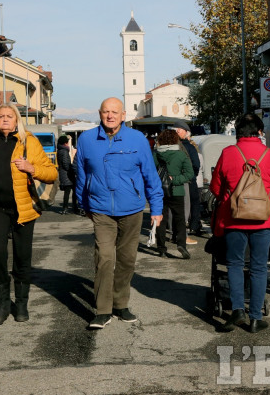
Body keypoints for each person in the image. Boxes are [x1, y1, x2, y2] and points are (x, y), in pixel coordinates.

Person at [76, 97, 163, 330]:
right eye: (106, 112)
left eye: (115, 112)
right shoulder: (86, 139)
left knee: (126, 260)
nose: (110, 116)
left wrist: (156, 208)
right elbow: (82, 175)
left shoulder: (138, 140)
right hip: (101, 209)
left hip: (132, 209)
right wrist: (83, 204)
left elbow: (150, 175)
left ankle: (121, 304)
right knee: (104, 258)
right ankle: (103, 310)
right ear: (100, 113)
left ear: (123, 115)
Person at [0, 103, 57, 325]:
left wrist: (31, 168)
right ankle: (2, 304)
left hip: (23, 209)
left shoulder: (29, 142)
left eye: (10, 116)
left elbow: (52, 172)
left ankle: (21, 305)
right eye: (1, 116)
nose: (5, 119)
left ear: (17, 120)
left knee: (22, 257)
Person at [210, 113, 270, 333]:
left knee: (234, 264)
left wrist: (230, 197)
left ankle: (237, 311)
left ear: (238, 132)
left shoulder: (228, 153)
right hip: (263, 219)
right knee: (259, 267)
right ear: (260, 132)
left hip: (234, 218)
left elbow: (215, 187)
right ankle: (255, 318)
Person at [153, 129, 194, 259]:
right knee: (180, 219)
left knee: (161, 219)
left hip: (160, 191)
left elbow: (149, 172)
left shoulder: (155, 154)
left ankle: (161, 248)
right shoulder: (181, 154)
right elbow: (189, 174)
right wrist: (176, 179)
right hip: (177, 190)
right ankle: (181, 243)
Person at [172, 121, 202, 241]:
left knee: (177, 206)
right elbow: (196, 164)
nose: (177, 131)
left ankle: (176, 230)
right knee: (192, 203)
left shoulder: (171, 147)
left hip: (175, 180)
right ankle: (192, 227)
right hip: (189, 180)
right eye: (176, 129)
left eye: (179, 129)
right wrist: (191, 175)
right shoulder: (189, 147)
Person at [56, 135, 79, 215]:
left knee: (67, 192)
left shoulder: (59, 150)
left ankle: (65, 208)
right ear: (65, 143)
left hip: (63, 174)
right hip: (67, 175)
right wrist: (72, 169)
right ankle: (73, 207)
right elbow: (66, 164)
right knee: (73, 191)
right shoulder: (64, 151)